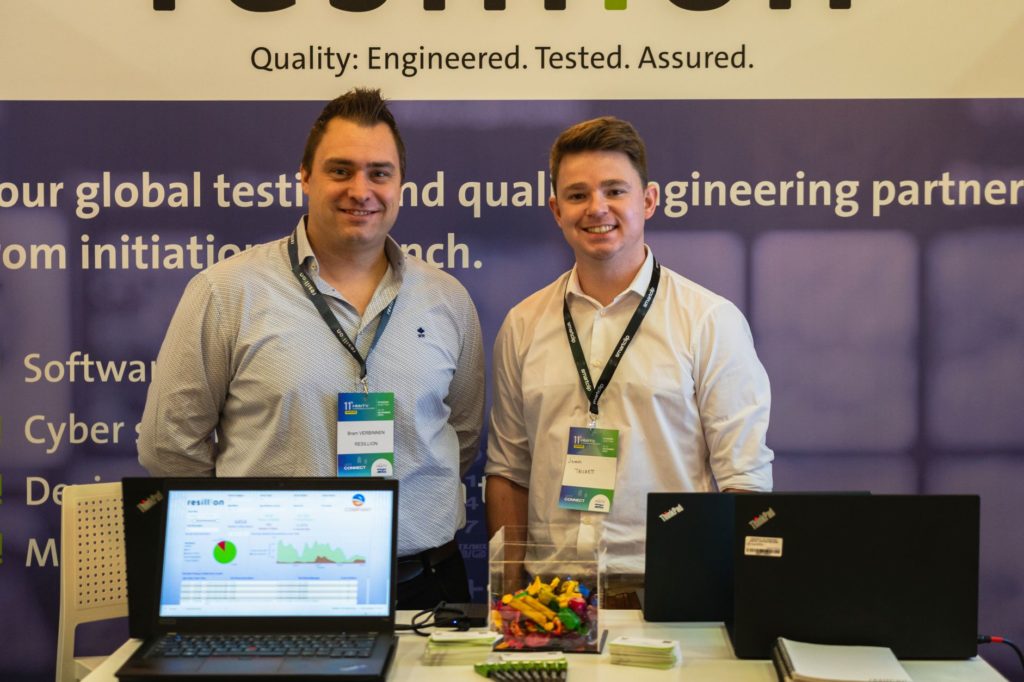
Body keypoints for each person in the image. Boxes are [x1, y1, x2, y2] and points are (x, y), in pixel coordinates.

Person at [138, 88, 485, 609]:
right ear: (304, 177)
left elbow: (461, 434)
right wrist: (249, 526)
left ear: (401, 185)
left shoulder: (447, 299)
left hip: (426, 586)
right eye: (340, 170)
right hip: (274, 586)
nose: (360, 190)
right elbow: (169, 445)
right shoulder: (226, 292)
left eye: (379, 173)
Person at [484, 116, 772, 601]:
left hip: (670, 593)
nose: (597, 208)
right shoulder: (523, 324)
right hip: (550, 599)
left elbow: (743, 480)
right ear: (556, 210)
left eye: (615, 191)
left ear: (649, 200)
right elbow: (509, 471)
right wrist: (510, 599)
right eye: (577, 195)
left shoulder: (708, 320)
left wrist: (728, 599)